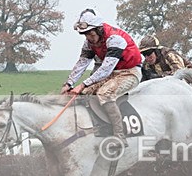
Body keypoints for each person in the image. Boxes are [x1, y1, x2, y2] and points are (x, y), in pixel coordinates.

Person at [61, 9, 142, 148]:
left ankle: (119, 136)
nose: (89, 38)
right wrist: (69, 84)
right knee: (84, 94)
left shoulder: (115, 39)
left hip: (130, 72)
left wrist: (82, 84)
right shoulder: (89, 42)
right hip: (113, 73)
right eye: (86, 35)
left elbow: (105, 69)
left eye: (91, 34)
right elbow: (82, 63)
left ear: (99, 30)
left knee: (104, 93)